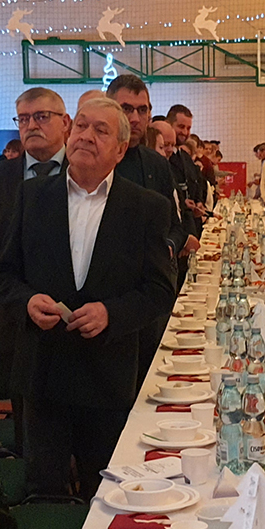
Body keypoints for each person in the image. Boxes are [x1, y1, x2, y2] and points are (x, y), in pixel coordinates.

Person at [0, 96, 176, 498]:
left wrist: (112, 313)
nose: (86, 136)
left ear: (121, 149)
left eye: (101, 130)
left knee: (110, 494)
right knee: (44, 495)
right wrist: (27, 302)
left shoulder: (146, 207)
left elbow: (160, 290)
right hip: (44, 374)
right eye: (81, 125)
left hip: (107, 376)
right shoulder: (32, 196)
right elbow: (4, 277)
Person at [0, 87, 71, 456]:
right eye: (24, 119)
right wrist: (25, 297)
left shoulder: (85, 172)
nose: (31, 125)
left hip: (77, 318)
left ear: (65, 122)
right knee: (33, 437)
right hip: (16, 320)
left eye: (42, 117)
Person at [108, 74, 188, 363]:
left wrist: (168, 245)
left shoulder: (156, 163)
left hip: (150, 298)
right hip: (109, 300)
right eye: (127, 109)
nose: (135, 118)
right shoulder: (95, 161)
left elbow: (177, 225)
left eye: (142, 110)